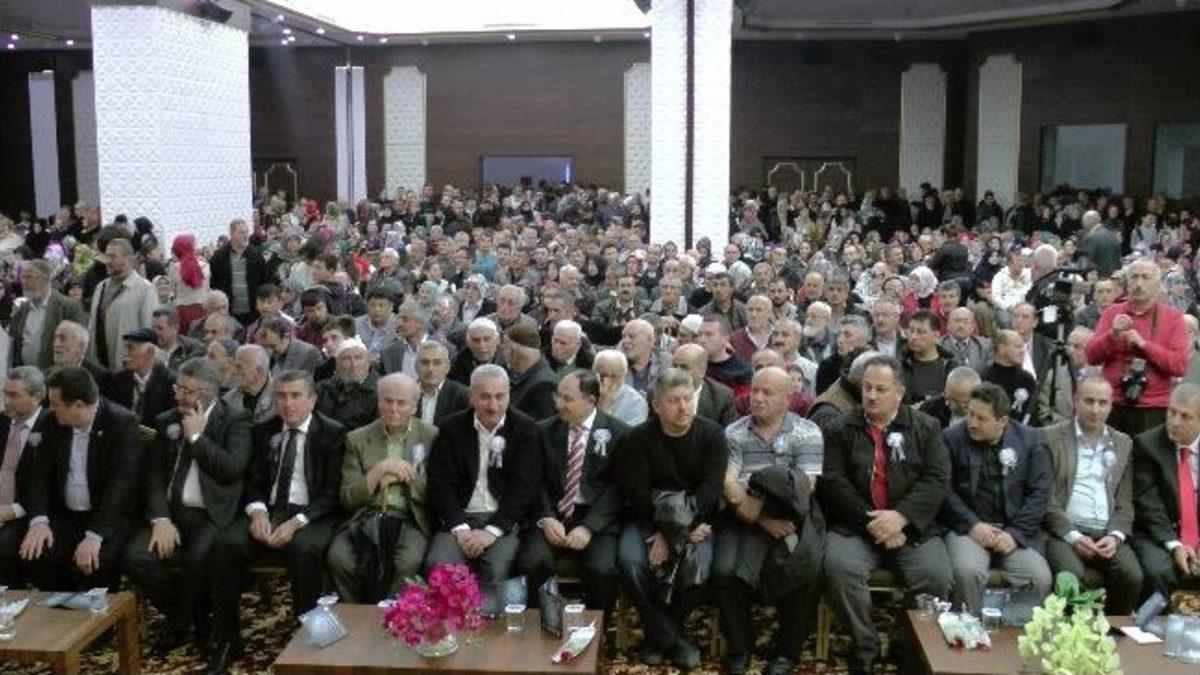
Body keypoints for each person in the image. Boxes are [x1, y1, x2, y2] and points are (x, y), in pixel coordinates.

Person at [207, 370, 346, 673]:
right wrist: (257, 511)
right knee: (225, 545)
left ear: (312, 399)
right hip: (269, 510)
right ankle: (227, 640)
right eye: (281, 396)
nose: (288, 403)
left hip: (312, 514)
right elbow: (252, 481)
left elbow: (332, 493)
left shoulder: (333, 433)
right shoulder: (263, 431)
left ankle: (310, 638)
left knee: (305, 550)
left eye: (296, 396)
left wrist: (296, 522)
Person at [820, 355, 952, 675]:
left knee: (936, 574)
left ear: (899, 393)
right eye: (867, 388)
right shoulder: (840, 428)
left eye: (880, 389)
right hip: (857, 525)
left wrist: (901, 518)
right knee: (839, 568)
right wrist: (876, 524)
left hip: (911, 527)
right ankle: (864, 645)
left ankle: (906, 643)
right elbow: (834, 483)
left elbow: (937, 479)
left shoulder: (925, 427)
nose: (871, 395)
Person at [124, 357, 252, 653]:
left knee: (198, 560)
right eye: (177, 388)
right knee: (135, 557)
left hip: (212, 514)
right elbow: (153, 477)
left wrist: (196, 437)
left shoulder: (235, 420)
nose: (179, 396)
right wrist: (160, 519)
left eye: (187, 391)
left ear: (209, 392)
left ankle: (178, 626)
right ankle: (193, 617)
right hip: (170, 513)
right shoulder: (166, 420)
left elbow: (231, 468)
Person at [616, 368, 728, 670]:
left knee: (700, 566)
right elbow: (637, 494)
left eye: (688, 399)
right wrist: (662, 533)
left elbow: (710, 491)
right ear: (656, 405)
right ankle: (671, 639)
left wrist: (679, 532)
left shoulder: (712, 435)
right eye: (674, 400)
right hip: (647, 520)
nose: (683, 407)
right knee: (631, 562)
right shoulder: (638, 438)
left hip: (696, 522)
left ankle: (660, 636)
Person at [715, 367, 824, 675]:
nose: (757, 398)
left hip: (793, 516)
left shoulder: (807, 432)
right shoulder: (734, 432)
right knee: (724, 571)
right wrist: (761, 519)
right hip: (742, 517)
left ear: (787, 398)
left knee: (806, 571)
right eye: (755, 390)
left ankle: (787, 653)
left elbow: (803, 488)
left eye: (767, 392)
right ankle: (740, 648)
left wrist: (756, 494)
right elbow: (728, 485)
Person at [19, 367, 142, 591]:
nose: (50, 409)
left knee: (95, 562)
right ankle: (58, 607)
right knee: (36, 553)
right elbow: (39, 475)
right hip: (67, 515)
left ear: (78, 406)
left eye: (55, 404)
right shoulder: (53, 422)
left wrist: (95, 536)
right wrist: (39, 521)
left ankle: (95, 612)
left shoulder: (122, 424)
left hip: (107, 516)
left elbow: (119, 488)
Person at [517, 370, 628, 612]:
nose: (559, 404)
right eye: (558, 396)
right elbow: (534, 482)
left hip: (597, 519)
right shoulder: (543, 431)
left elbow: (618, 489)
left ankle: (595, 629)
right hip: (553, 514)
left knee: (602, 570)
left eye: (567, 399)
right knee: (532, 562)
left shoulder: (620, 434)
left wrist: (589, 527)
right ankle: (539, 624)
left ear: (591, 400)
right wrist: (546, 518)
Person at [940, 383, 1051, 614]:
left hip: (1013, 531)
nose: (972, 423)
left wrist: (1016, 534)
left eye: (981, 418)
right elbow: (943, 489)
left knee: (1038, 576)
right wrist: (972, 525)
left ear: (1002, 421)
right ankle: (967, 629)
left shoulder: (1030, 440)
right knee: (967, 571)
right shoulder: (952, 438)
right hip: (967, 529)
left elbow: (1039, 494)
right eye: (970, 414)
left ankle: (1014, 632)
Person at [327, 373, 438, 603]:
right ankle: (357, 614)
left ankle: (394, 615)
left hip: (410, 518)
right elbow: (348, 498)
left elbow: (436, 493)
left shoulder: (430, 436)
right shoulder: (357, 438)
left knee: (407, 562)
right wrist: (378, 472)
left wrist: (406, 474)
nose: (393, 409)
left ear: (414, 406)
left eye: (401, 402)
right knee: (339, 558)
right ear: (379, 402)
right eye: (388, 401)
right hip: (367, 516)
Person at [423, 365, 540, 583]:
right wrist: (460, 528)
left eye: (500, 396)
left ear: (509, 395)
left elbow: (524, 489)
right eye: (485, 397)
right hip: (459, 518)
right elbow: (440, 484)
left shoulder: (525, 429)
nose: (493, 406)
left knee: (496, 569)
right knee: (440, 565)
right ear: (472, 396)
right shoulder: (451, 428)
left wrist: (492, 531)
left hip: (502, 521)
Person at [1041, 376, 1142, 614]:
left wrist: (1115, 536)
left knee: (1132, 575)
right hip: (1063, 531)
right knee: (1071, 577)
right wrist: (1074, 536)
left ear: (1111, 405)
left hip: (1106, 532)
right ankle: (1070, 633)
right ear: (1075, 401)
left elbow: (1124, 501)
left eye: (1102, 403)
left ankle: (1112, 632)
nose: (1095, 410)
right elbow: (1046, 499)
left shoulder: (1123, 443)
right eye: (1089, 401)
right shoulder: (1050, 438)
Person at [1086, 258, 1190, 435]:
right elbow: (1091, 357)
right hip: (1112, 404)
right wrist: (1112, 336)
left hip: (1154, 408)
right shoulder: (1112, 312)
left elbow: (1179, 366)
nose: (1139, 283)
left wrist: (1144, 345)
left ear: (1157, 284)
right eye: (1134, 277)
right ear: (1127, 283)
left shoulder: (1173, 318)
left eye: (1145, 277)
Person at [1131, 382, 1200, 597]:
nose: (1175, 422)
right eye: (1172, 413)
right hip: (1158, 536)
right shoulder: (1147, 446)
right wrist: (1176, 545)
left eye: (1185, 416)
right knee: (1160, 571)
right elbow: (1149, 507)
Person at [0, 368, 51, 586]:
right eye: (5, 393)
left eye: (14, 395)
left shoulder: (52, 427)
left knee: (4, 547)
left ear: (36, 397)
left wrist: (13, 510)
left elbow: (51, 485)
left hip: (27, 511)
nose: (6, 401)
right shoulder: (2, 422)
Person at [88, 238, 158, 370]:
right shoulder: (101, 287)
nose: (107, 261)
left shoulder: (145, 289)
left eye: (112, 257)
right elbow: (92, 327)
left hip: (131, 367)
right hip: (102, 368)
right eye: (107, 256)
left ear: (128, 259)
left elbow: (149, 331)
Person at [10, 259, 84, 370]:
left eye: (29, 277)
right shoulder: (22, 309)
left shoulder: (67, 307)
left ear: (45, 279)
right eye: (23, 277)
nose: (24, 282)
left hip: (56, 375)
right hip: (27, 375)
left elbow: (79, 345)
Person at [209, 218, 268, 326]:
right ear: (232, 234)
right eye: (241, 233)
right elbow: (214, 284)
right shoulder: (219, 256)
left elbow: (264, 281)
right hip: (229, 313)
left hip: (253, 312)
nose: (246, 236)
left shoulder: (256, 255)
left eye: (247, 232)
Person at [111, 328, 176, 427]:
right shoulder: (118, 379)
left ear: (151, 352)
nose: (125, 354)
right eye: (125, 348)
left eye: (131, 348)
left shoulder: (169, 382)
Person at [315, 338, 379, 431]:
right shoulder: (323, 389)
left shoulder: (380, 391)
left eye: (358, 358)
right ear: (337, 364)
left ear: (368, 361)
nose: (353, 364)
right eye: (346, 359)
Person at [672, 343, 739, 427]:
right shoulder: (660, 391)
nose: (676, 372)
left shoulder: (722, 398)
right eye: (674, 366)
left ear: (702, 371)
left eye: (684, 367)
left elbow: (729, 432)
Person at [501, 324, 558, 421]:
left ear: (513, 351)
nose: (502, 352)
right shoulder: (521, 374)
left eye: (504, 347)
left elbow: (536, 426)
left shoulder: (545, 385)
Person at [898, 310, 956, 403]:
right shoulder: (900, 367)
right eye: (911, 331)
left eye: (920, 332)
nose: (913, 337)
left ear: (936, 335)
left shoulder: (951, 366)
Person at [983, 330, 1039, 424]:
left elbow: (1034, 414)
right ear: (1002, 348)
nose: (1022, 351)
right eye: (1018, 347)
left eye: (1023, 347)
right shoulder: (986, 379)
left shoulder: (1027, 379)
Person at [414, 340, 471, 426]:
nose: (430, 369)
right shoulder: (406, 393)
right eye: (425, 362)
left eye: (437, 363)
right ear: (416, 366)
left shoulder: (462, 395)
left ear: (447, 367)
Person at [816, 315, 872, 396]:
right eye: (838, 335)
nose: (840, 340)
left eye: (847, 335)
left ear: (863, 339)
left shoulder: (875, 364)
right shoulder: (827, 366)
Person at [593, 349, 649, 426]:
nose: (602, 379)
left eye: (612, 376)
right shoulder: (584, 393)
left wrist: (605, 408)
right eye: (599, 374)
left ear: (622, 376)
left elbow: (631, 432)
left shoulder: (636, 403)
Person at [223, 344, 276, 425]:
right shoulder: (228, 400)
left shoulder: (281, 396)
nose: (233, 372)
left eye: (239, 367)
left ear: (258, 370)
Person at [379, 300, 432, 378]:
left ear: (420, 323)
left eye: (405, 320)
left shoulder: (443, 349)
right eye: (398, 319)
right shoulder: (388, 352)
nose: (399, 324)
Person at [257, 316, 323, 376]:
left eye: (273, 346)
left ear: (286, 336)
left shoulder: (309, 354)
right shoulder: (263, 356)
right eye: (265, 347)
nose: (269, 351)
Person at [448, 317, 504, 386]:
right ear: (468, 342)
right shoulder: (456, 365)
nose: (481, 345)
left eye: (487, 339)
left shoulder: (509, 364)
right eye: (476, 340)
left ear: (497, 340)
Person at [941, 307, 992, 372]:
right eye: (957, 321)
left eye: (966, 321)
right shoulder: (938, 346)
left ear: (973, 326)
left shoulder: (986, 346)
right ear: (948, 325)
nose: (961, 326)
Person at [355, 288, 399, 358]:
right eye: (372, 305)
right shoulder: (356, 324)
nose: (376, 310)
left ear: (391, 307)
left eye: (381, 305)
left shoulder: (398, 326)